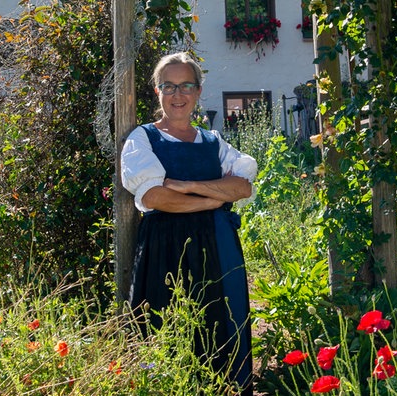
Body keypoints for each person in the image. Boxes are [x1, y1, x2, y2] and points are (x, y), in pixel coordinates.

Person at [121, 52, 257, 395]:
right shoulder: (143, 139)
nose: (177, 95)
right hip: (165, 248)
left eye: (185, 86)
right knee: (167, 325)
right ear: (157, 91)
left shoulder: (213, 141)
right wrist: (214, 199)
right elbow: (154, 198)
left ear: (198, 91)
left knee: (222, 323)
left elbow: (242, 186)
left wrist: (189, 186)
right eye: (168, 86)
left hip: (218, 245)